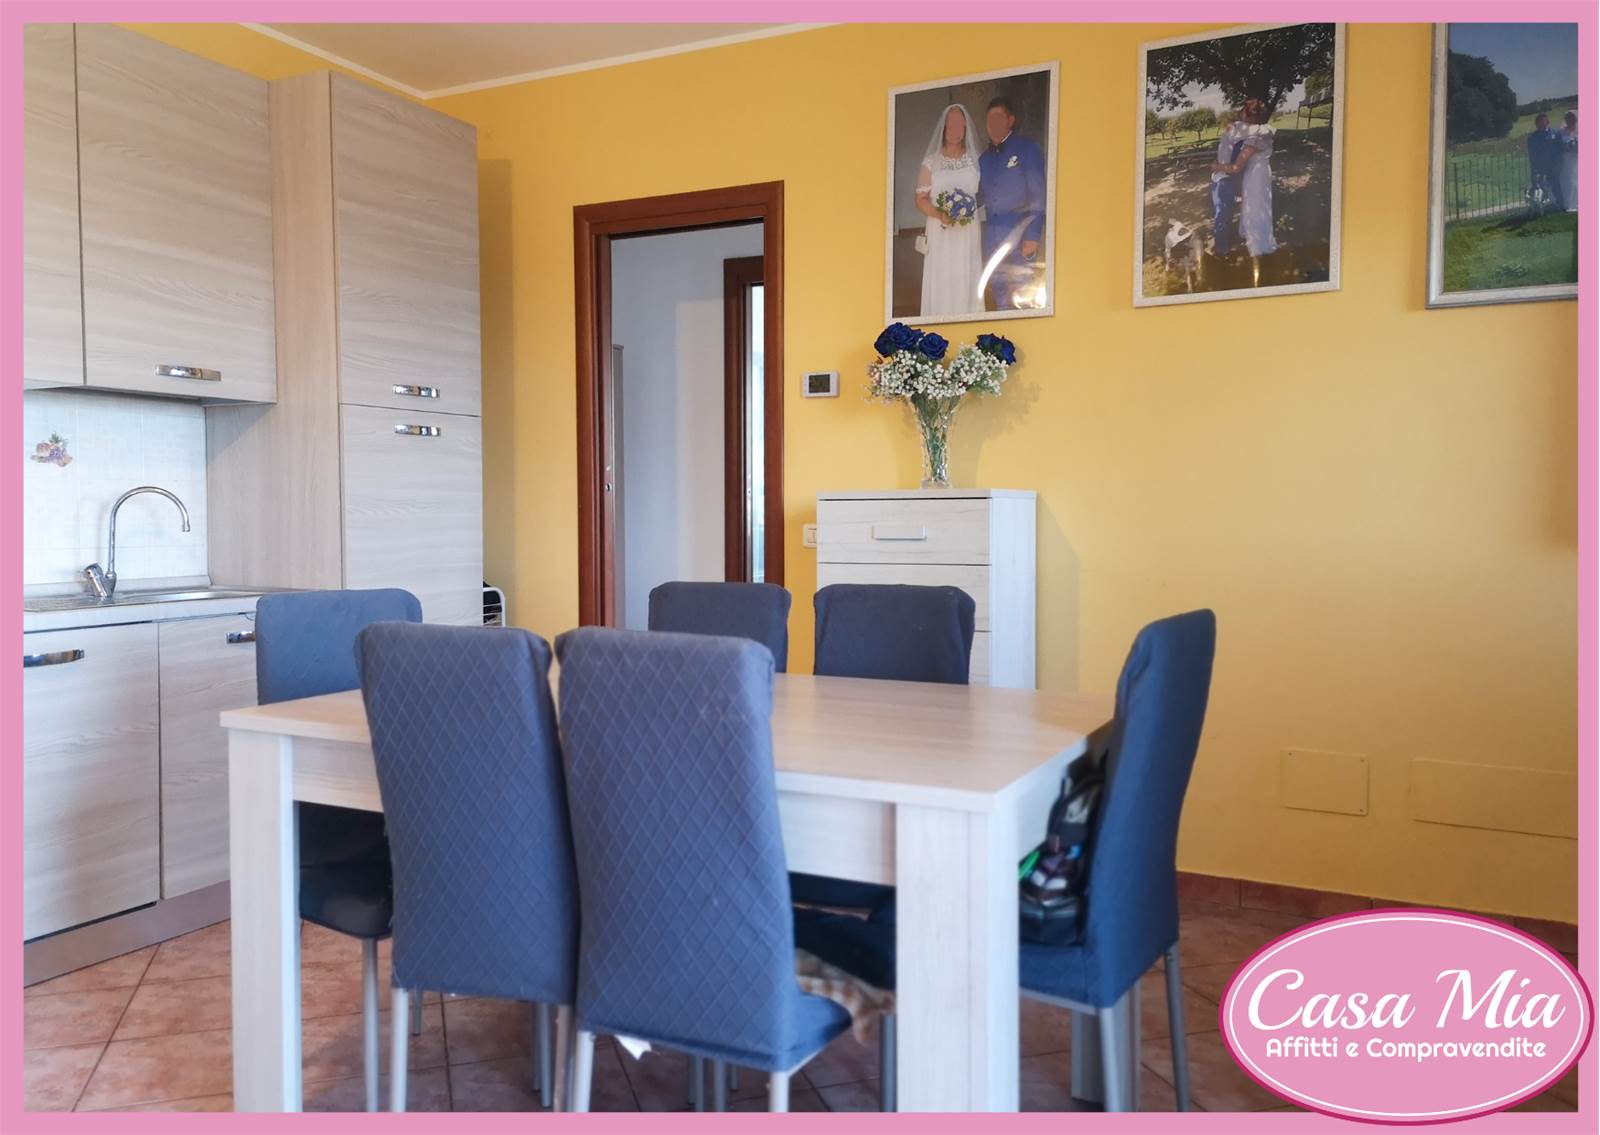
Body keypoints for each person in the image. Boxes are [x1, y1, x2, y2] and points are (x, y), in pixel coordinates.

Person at [976, 95, 1047, 309]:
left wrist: (1032, 236)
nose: (993, 124)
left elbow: (1038, 194)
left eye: (998, 118)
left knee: (1024, 292)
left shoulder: (1028, 149)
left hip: (1020, 234)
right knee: (999, 292)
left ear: (1010, 120)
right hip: (993, 239)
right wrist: (953, 207)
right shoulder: (983, 159)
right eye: (990, 120)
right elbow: (979, 196)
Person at [914, 104, 984, 317]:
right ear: (944, 127)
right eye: (951, 125)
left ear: (966, 128)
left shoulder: (975, 160)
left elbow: (985, 192)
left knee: (966, 273)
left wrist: (966, 209)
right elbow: (921, 199)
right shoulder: (931, 162)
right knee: (943, 275)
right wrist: (940, 214)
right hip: (941, 228)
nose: (956, 130)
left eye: (960, 125)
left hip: (967, 230)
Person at [1211, 99, 1279, 282]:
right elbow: (1254, 130)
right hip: (1258, 172)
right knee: (1256, 205)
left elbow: (1236, 167)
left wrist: (1217, 166)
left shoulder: (1254, 136)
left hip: (1254, 174)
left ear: (1247, 114)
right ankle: (1253, 236)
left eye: (1243, 112)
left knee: (1256, 206)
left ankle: (1258, 243)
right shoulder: (1261, 130)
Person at [1210, 112, 1250, 256]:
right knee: (1222, 215)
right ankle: (1222, 248)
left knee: (1225, 214)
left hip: (1223, 178)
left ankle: (1223, 244)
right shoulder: (1233, 135)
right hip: (1223, 179)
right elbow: (1233, 162)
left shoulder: (1229, 137)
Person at [1527, 113, 1565, 210]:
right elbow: (1532, 154)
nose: (1542, 124)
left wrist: (1559, 163)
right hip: (1540, 167)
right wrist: (1535, 168)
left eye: (1544, 121)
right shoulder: (1532, 137)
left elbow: (1560, 149)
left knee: (1556, 186)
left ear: (1547, 122)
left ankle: (1560, 205)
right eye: (1540, 122)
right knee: (1540, 187)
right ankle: (1542, 207)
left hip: (1554, 166)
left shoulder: (1555, 133)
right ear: (1536, 124)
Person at [1559, 110, 1578, 213]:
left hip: (1577, 159)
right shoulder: (1561, 132)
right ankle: (1568, 204)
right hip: (1566, 160)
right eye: (1568, 119)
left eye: (1572, 119)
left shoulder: (1579, 131)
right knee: (1568, 181)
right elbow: (1559, 144)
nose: (1570, 121)